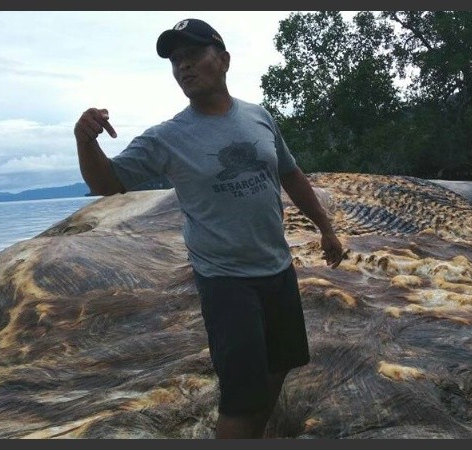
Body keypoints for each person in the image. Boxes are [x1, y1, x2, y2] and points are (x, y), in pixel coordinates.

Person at [72, 18, 344, 439]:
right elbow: (105, 184)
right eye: (176, 60)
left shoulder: (259, 118)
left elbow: (291, 175)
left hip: (277, 267)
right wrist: (85, 142)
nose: (184, 66)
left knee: (282, 363)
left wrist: (326, 228)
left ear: (224, 60)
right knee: (240, 396)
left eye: (193, 55)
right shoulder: (168, 137)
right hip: (225, 282)